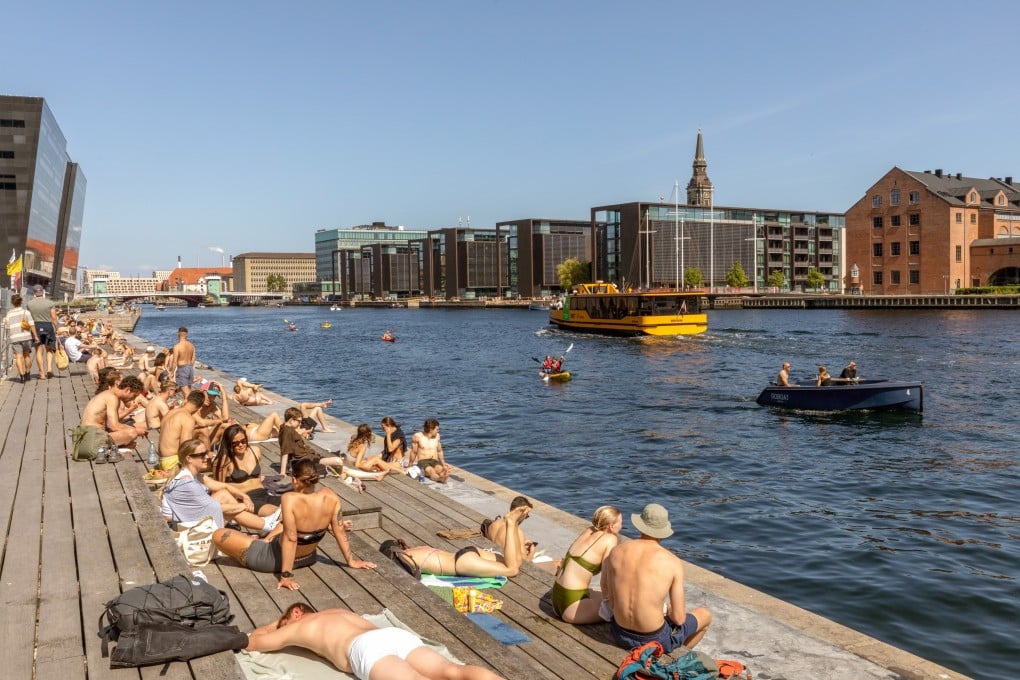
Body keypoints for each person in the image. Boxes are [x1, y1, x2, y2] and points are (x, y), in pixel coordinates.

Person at [213, 458, 373, 589]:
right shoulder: (330, 495)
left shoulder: (290, 499)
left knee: (218, 535)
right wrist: (351, 561)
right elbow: (339, 531)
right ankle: (266, 539)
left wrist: (286, 576)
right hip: (308, 557)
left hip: (274, 559)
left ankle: (261, 542)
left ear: (294, 480)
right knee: (285, 525)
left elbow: (291, 539)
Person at [245, 602, 504, 680]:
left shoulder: (301, 626)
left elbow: (255, 642)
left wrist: (274, 626)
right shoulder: (338, 611)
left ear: (296, 613)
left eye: (284, 621)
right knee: (452, 671)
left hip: (366, 648)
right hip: (390, 635)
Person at [602, 503, 712, 653]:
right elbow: (679, 619)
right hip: (654, 641)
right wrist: (670, 610)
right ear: (663, 531)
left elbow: (610, 597)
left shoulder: (616, 551)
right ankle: (674, 657)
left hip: (619, 633)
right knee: (705, 615)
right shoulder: (672, 562)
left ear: (640, 525)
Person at [160, 438, 281, 534]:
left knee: (223, 494)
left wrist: (245, 496)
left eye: (206, 453)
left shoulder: (194, 476)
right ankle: (265, 524)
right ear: (189, 459)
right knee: (228, 508)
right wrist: (243, 506)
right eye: (202, 454)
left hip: (188, 518)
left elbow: (224, 487)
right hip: (181, 527)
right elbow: (215, 508)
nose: (207, 457)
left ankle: (264, 524)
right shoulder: (187, 483)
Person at [380, 504, 527, 578]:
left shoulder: (403, 557)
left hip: (461, 563)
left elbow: (413, 577)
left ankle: (510, 523)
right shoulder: (413, 551)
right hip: (467, 553)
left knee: (511, 570)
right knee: (515, 562)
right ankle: (512, 524)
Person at [551, 505, 622, 624]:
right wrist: (611, 605)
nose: (621, 526)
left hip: (556, 598)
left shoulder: (588, 530)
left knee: (599, 594)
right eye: (620, 522)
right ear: (611, 526)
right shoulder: (610, 539)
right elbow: (605, 581)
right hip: (571, 606)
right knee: (619, 607)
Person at [210, 424, 278, 516]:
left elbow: (258, 477)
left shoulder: (255, 451)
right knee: (276, 513)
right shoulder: (224, 460)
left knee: (291, 503)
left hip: (264, 493)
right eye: (236, 443)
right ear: (229, 443)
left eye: (243, 441)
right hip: (246, 500)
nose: (241, 445)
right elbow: (218, 488)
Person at [79, 375, 148, 453]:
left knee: (130, 434)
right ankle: (110, 449)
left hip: (88, 435)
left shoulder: (109, 394)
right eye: (134, 395)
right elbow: (114, 426)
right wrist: (136, 431)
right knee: (132, 433)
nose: (134, 399)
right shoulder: (112, 398)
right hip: (91, 438)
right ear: (127, 390)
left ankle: (115, 447)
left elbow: (110, 424)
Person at [481, 496, 545, 570]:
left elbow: (503, 541)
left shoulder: (494, 524)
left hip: (493, 555)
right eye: (526, 516)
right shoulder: (518, 532)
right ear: (523, 513)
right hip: (505, 564)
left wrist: (520, 543)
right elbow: (524, 561)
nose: (525, 518)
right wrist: (532, 553)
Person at [158, 390, 207, 470]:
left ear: (186, 400)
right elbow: (186, 447)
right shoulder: (188, 418)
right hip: (173, 463)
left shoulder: (170, 412)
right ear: (199, 408)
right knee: (212, 463)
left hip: (162, 460)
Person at [26, 284, 59, 380]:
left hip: (36, 327)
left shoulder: (29, 304)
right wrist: (57, 328)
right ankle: (49, 368)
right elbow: (54, 318)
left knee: (38, 351)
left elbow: (29, 317)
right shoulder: (50, 303)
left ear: (34, 293)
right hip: (48, 326)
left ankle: (42, 373)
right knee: (49, 349)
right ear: (43, 292)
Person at [5, 294, 40, 383]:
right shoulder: (26, 312)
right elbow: (32, 325)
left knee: (18, 357)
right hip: (26, 337)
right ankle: (27, 373)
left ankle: (21, 376)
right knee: (27, 355)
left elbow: (7, 327)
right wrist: (35, 336)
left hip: (15, 338)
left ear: (12, 303)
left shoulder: (9, 314)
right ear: (21, 302)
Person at [410, 418, 450, 483]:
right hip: (423, 462)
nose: (438, 431)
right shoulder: (418, 436)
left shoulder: (437, 436)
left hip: (434, 460)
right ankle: (440, 479)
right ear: (431, 430)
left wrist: (443, 464)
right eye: (437, 429)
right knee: (431, 471)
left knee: (440, 469)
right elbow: (413, 452)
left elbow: (439, 451)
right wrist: (410, 465)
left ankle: (443, 475)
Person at [168, 326, 196, 394]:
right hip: (190, 368)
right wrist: (190, 367)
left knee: (186, 391)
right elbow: (193, 358)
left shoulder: (177, 346)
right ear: (186, 334)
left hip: (182, 369)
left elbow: (174, 362)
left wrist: (171, 372)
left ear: (178, 334)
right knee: (188, 389)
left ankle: (191, 403)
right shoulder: (191, 345)